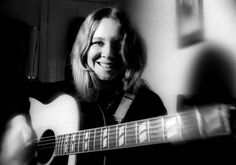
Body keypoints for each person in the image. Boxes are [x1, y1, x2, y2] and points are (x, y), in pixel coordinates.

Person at [0, 6, 167, 165]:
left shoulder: (148, 104)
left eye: (118, 44)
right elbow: (9, 87)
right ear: (84, 49)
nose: (108, 54)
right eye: (98, 43)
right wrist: (17, 122)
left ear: (129, 50)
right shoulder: (61, 94)